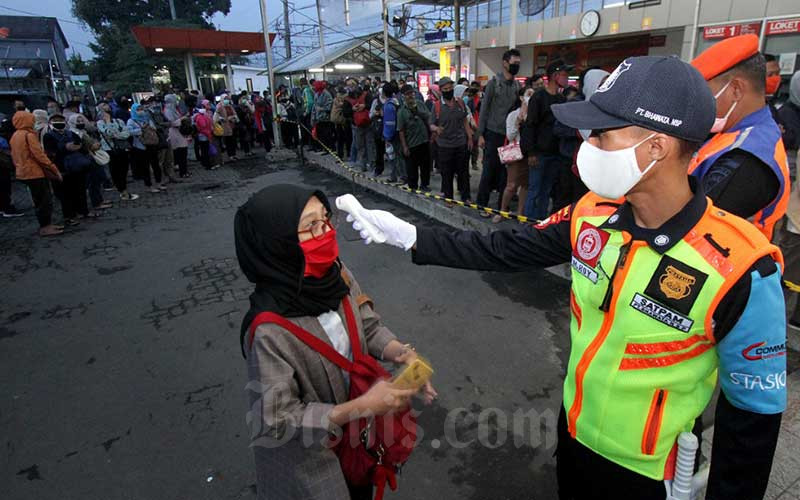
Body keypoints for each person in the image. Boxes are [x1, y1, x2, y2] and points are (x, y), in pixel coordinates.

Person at [346, 56, 786, 500]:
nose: (587, 144)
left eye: (602, 133)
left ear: (657, 147)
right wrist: (411, 236)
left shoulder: (742, 266)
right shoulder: (592, 212)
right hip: (573, 440)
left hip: (651, 476)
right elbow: (504, 248)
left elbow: (752, 420)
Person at [235, 184, 435, 500]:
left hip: (362, 442)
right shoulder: (268, 331)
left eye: (326, 220)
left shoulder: (337, 274)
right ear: (278, 243)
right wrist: (363, 406)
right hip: (317, 462)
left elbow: (367, 326)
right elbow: (278, 419)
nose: (325, 232)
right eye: (309, 227)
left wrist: (401, 354)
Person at [689, 34, 789, 241]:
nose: (699, 104)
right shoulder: (736, 131)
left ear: (735, 90)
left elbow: (694, 223)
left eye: (705, 94)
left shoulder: (747, 158)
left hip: (723, 264)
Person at [521, 60, 571, 219]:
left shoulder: (562, 99)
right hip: (539, 154)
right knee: (535, 190)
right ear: (555, 76)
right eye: (565, 75)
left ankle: (540, 222)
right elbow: (530, 125)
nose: (567, 79)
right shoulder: (539, 97)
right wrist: (531, 152)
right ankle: (528, 224)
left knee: (546, 190)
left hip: (556, 153)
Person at [477, 49, 522, 214]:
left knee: (506, 175)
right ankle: (482, 205)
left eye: (518, 63)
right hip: (493, 134)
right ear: (504, 62)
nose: (516, 66)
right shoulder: (493, 83)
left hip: (510, 137)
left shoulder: (517, 86)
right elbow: (484, 110)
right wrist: (480, 134)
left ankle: (501, 208)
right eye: (514, 63)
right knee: (489, 171)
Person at [10, 111, 63, 236]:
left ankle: (46, 225)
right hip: (34, 172)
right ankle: (45, 226)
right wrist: (54, 169)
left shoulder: (15, 136)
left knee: (38, 199)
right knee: (44, 200)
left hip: (23, 172)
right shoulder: (29, 135)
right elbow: (39, 155)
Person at [44, 113, 95, 224]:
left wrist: (78, 147)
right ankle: (69, 216)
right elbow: (50, 152)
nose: (59, 122)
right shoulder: (49, 136)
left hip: (77, 166)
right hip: (62, 167)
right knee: (66, 193)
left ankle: (83, 211)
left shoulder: (70, 133)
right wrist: (65, 148)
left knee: (80, 189)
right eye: (56, 120)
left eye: (61, 120)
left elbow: (81, 146)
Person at [493, 87, 532, 223]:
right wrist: (518, 122)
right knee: (511, 185)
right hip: (516, 154)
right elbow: (510, 135)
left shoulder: (534, 113)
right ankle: (503, 210)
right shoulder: (513, 115)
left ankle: (520, 213)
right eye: (529, 94)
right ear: (521, 98)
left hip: (529, 153)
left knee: (525, 185)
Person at [69, 113, 112, 212]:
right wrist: (91, 147)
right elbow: (81, 147)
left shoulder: (83, 131)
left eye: (81, 121)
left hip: (92, 157)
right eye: (78, 121)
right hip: (86, 159)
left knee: (97, 180)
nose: (80, 123)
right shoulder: (74, 133)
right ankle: (96, 203)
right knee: (92, 182)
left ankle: (100, 200)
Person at [97, 102, 138, 201]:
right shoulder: (100, 123)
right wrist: (107, 122)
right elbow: (108, 133)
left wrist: (116, 135)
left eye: (106, 105)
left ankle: (124, 188)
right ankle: (122, 191)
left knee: (124, 169)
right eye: (103, 106)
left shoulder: (118, 121)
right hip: (110, 149)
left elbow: (126, 133)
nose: (106, 107)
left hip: (122, 147)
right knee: (115, 170)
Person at [397, 84, 432, 191]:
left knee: (425, 166)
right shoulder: (401, 111)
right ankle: (413, 187)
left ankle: (424, 185)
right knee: (412, 168)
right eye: (408, 94)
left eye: (412, 93)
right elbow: (401, 131)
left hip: (424, 141)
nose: (411, 95)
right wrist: (405, 147)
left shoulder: (421, 104)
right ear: (403, 96)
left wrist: (418, 111)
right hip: (412, 143)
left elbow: (429, 117)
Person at [127, 103, 165, 194]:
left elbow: (154, 128)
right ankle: (149, 185)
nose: (141, 111)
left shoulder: (147, 118)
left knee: (156, 165)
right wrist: (141, 130)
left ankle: (158, 183)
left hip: (152, 144)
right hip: (141, 147)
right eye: (138, 109)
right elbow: (129, 132)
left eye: (141, 109)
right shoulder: (131, 121)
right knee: (145, 167)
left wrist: (151, 128)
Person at [381, 82, 405, 184]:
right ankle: (397, 176)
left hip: (392, 135)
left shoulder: (388, 106)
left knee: (394, 156)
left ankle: (400, 177)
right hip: (398, 132)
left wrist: (387, 137)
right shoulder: (396, 102)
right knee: (397, 156)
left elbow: (389, 123)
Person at [348, 83, 374, 172]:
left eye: (352, 85)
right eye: (349, 85)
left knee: (369, 145)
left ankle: (371, 165)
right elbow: (345, 111)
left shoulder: (367, 95)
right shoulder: (348, 98)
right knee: (360, 145)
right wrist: (352, 109)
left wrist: (365, 106)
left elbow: (372, 106)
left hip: (368, 124)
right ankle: (363, 165)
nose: (351, 87)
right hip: (356, 125)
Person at [163, 94, 191, 178]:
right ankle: (182, 172)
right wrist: (182, 119)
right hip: (174, 133)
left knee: (183, 152)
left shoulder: (174, 109)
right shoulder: (168, 111)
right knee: (180, 153)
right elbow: (171, 123)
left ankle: (184, 170)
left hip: (180, 133)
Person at [0, 117, 23, 217]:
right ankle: (6, 208)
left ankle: (4, 207)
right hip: (2, 165)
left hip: (3, 165)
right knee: (4, 186)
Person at [193, 99, 218, 170]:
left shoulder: (207, 114)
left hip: (206, 134)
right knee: (205, 150)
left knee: (206, 150)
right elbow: (203, 126)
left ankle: (207, 163)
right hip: (204, 135)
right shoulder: (200, 116)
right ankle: (207, 164)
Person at [312, 81, 335, 153]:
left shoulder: (326, 94)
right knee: (320, 134)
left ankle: (329, 148)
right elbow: (315, 105)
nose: (314, 87)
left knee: (327, 134)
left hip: (326, 118)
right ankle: (324, 148)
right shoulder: (317, 94)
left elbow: (329, 106)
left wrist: (321, 109)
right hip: (318, 118)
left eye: (315, 86)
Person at [216, 94, 240, 162]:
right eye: (225, 98)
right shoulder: (219, 106)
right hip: (225, 126)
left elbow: (234, 113)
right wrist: (225, 118)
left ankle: (234, 154)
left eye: (227, 98)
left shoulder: (229, 106)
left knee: (233, 141)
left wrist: (234, 118)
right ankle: (230, 155)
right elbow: (217, 116)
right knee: (228, 141)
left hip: (232, 125)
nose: (227, 100)